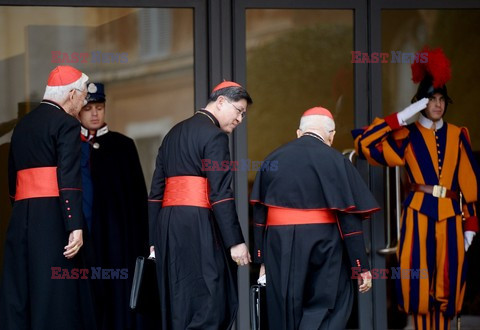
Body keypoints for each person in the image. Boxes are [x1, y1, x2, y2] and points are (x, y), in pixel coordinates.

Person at [354, 47, 480, 329]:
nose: (437, 105)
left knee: (448, 285)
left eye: (441, 99)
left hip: (450, 215)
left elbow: (468, 183)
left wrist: (470, 226)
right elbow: (365, 145)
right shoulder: (406, 135)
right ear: (421, 102)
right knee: (419, 286)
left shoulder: (459, 134)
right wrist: (402, 115)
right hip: (417, 214)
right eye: (431, 99)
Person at [250, 107, 380, 330]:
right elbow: (349, 221)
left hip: (280, 243)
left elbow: (260, 213)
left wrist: (262, 258)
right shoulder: (337, 161)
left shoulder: (273, 158)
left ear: (299, 132)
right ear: (331, 135)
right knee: (326, 303)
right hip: (324, 242)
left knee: (284, 306)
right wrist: (360, 265)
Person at [148, 81, 253, 329]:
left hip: (168, 226)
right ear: (220, 102)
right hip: (198, 223)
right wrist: (236, 241)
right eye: (239, 111)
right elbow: (220, 193)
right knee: (209, 300)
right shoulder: (214, 136)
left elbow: (155, 193)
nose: (240, 119)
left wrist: (153, 237)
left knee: (178, 299)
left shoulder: (172, 133)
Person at [0, 66, 96, 329]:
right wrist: (75, 225)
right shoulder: (66, 123)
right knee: (56, 294)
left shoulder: (23, 125)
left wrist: (22, 211)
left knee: (21, 290)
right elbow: (69, 177)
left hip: (22, 217)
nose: (85, 102)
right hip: (54, 218)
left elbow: (12, 180)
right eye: (84, 96)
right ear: (72, 94)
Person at [78, 83, 151, 329]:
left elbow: (138, 198)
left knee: (121, 300)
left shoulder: (124, 146)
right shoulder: (70, 147)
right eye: (88, 108)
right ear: (79, 110)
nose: (95, 114)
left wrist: (143, 241)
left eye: (99, 107)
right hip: (87, 241)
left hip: (120, 242)